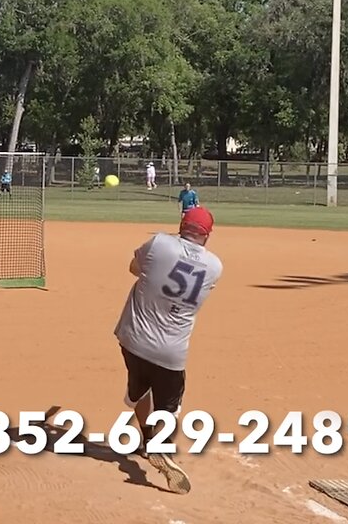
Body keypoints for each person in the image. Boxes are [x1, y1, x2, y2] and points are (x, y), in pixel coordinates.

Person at [113, 206, 222, 495]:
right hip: (171, 352)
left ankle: (147, 440)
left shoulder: (159, 243)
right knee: (169, 408)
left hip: (133, 339)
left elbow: (134, 268)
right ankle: (159, 446)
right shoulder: (214, 266)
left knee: (140, 390)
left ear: (181, 226)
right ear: (207, 235)